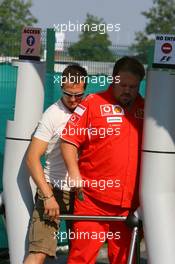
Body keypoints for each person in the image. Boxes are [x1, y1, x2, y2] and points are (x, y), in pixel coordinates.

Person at [60, 56, 145, 264]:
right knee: (81, 258)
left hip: (131, 205)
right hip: (91, 201)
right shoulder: (93, 102)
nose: (128, 90)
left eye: (133, 87)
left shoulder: (148, 109)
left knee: (125, 260)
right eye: (123, 85)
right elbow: (68, 141)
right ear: (113, 80)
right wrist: (74, 173)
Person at [24, 64, 87, 264]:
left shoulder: (90, 110)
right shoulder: (52, 114)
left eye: (79, 94)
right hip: (54, 189)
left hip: (82, 193)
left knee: (82, 254)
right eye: (69, 94)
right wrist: (48, 196)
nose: (74, 99)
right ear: (61, 87)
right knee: (38, 252)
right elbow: (32, 158)